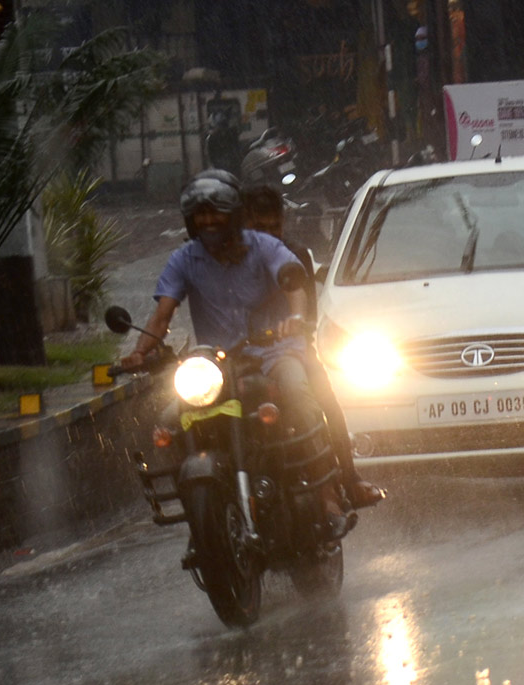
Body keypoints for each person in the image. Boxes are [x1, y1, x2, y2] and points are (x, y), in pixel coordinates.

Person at [119, 169, 383, 537]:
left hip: (278, 352)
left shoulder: (265, 246)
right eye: (201, 215)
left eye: (216, 213)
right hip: (216, 363)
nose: (209, 221)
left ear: (234, 215)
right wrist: (140, 350)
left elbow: (293, 281)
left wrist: (294, 316)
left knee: (303, 398)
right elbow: (163, 313)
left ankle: (328, 495)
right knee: (170, 417)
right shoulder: (183, 259)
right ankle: (200, 511)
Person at [238, 182, 383, 513]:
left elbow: (308, 316)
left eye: (274, 226)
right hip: (239, 358)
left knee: (323, 404)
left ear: (283, 222)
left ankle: (347, 479)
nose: (269, 234)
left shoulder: (296, 256)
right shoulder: (228, 263)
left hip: (290, 352)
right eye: (260, 227)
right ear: (245, 223)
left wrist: (293, 330)